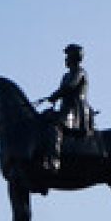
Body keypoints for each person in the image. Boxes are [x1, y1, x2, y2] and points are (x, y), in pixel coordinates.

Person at [38, 43, 90, 171]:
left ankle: (53, 159)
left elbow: (70, 87)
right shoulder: (66, 75)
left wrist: (55, 95)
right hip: (66, 107)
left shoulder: (80, 72)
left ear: (74, 57)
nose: (66, 59)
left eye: (68, 56)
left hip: (75, 109)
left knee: (55, 125)